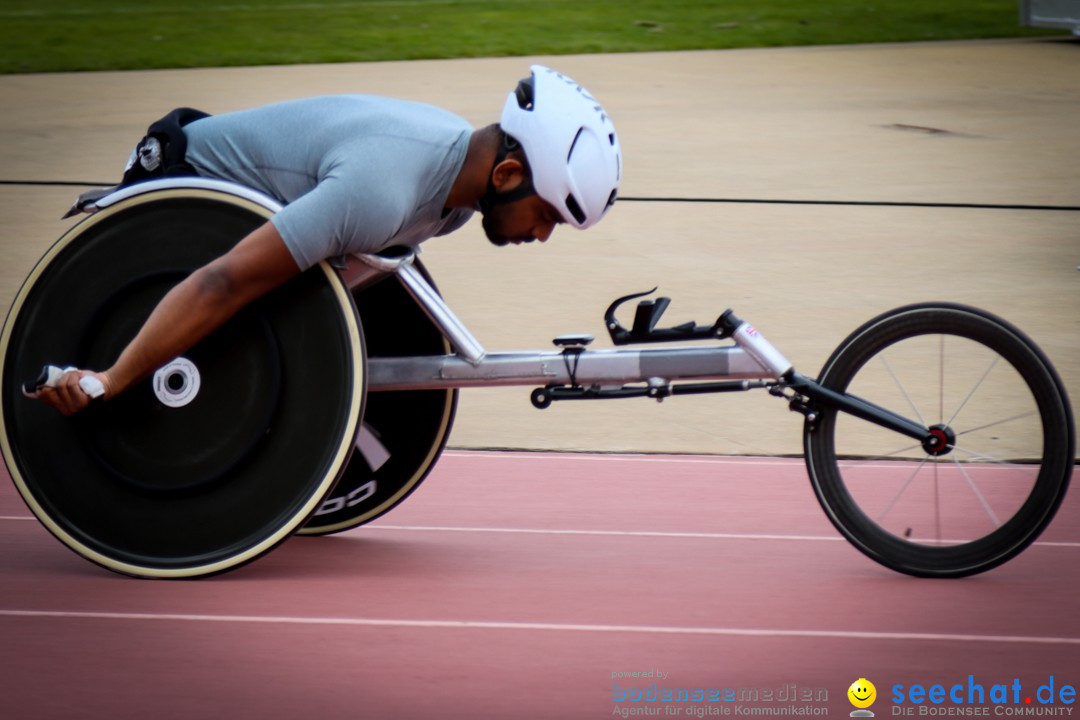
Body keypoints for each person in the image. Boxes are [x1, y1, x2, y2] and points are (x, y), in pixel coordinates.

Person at [29, 64, 622, 416]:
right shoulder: (381, 192)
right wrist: (109, 380)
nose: (543, 236)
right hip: (173, 194)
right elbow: (224, 280)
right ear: (507, 176)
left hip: (246, 213)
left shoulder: (454, 200)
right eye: (546, 215)